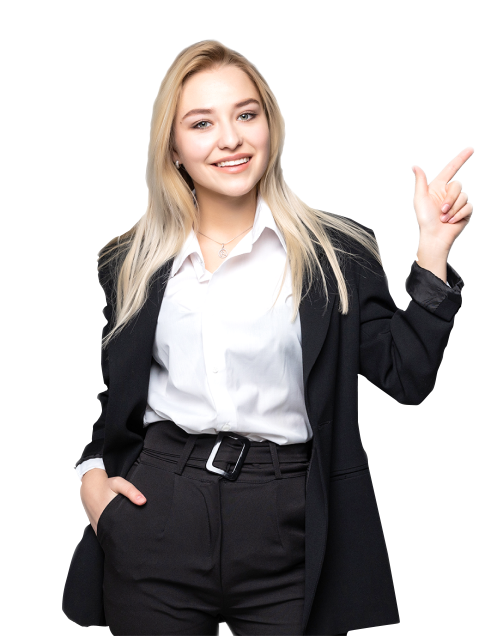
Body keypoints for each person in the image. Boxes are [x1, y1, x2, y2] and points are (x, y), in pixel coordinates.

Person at [61, 38, 474, 636]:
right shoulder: (132, 260)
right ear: (172, 147)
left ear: (272, 127)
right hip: (158, 511)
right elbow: (119, 394)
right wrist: (93, 479)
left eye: (246, 114)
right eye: (201, 123)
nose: (230, 139)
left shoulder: (336, 252)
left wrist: (433, 251)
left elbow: (406, 376)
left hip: (289, 523)